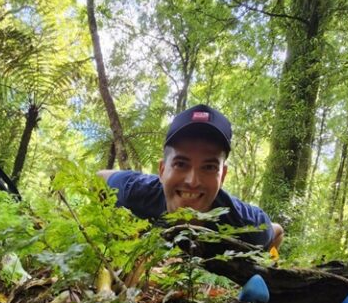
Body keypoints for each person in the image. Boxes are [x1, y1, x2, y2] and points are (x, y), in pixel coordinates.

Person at [97, 104, 284, 250]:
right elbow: (100, 178)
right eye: (181, 164)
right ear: (162, 170)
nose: (193, 181)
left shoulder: (248, 225)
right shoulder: (138, 192)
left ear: (223, 176)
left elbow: (277, 232)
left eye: (209, 167)